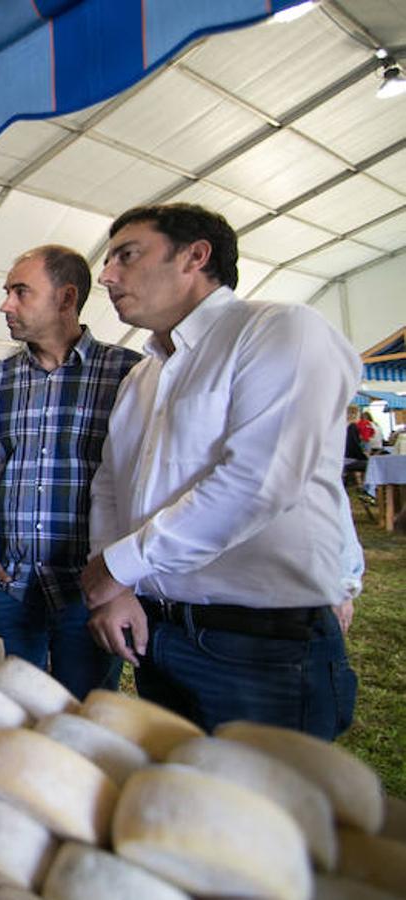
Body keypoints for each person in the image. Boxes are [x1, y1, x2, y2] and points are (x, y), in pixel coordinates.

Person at [83, 202, 359, 739]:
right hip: (157, 636)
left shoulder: (280, 331)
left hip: (259, 647)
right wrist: (117, 588)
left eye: (127, 255)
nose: (108, 276)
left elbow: (259, 482)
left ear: (195, 256)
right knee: (177, 804)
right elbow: (110, 485)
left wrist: (121, 565)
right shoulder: (142, 376)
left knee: (263, 812)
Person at [0, 246, 142, 698]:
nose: (5, 305)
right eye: (6, 292)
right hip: (6, 585)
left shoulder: (125, 373)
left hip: (90, 588)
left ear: (65, 298)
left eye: (20, 292)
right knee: (8, 705)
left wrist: (121, 574)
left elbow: (140, 481)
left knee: (87, 707)